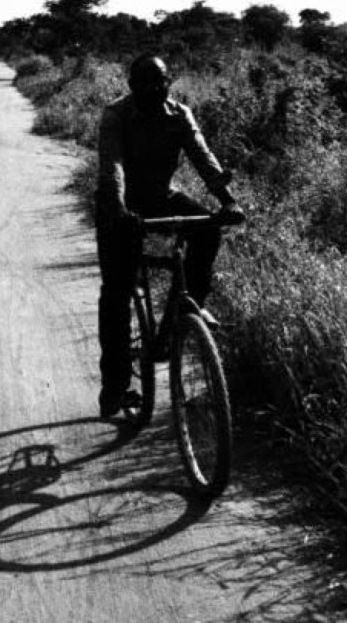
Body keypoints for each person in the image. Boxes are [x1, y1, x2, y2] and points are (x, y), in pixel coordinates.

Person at [95, 52, 242, 419]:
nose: (153, 88)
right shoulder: (116, 115)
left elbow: (203, 157)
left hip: (161, 196)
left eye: (159, 81)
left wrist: (228, 201)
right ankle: (114, 387)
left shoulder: (179, 115)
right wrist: (119, 209)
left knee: (207, 229)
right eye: (144, 82)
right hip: (120, 206)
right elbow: (112, 167)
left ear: (168, 82)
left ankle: (179, 318)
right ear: (132, 86)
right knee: (117, 292)